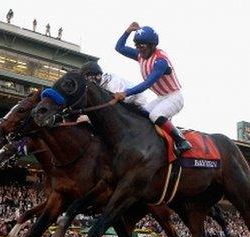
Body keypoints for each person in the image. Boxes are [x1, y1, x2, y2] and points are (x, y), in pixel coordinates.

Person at [114, 22, 191, 153]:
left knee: (155, 115)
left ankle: (182, 140)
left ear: (152, 45)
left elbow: (147, 84)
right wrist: (127, 31)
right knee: (140, 113)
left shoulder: (160, 61)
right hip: (161, 97)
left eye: (142, 45)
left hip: (174, 97)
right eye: (136, 45)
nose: (139, 49)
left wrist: (126, 93)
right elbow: (119, 47)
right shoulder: (140, 55)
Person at [80, 61, 149, 111]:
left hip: (137, 100)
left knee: (150, 115)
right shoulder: (102, 83)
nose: (87, 81)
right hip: (126, 102)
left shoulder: (112, 83)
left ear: (98, 75)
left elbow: (118, 103)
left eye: (88, 77)